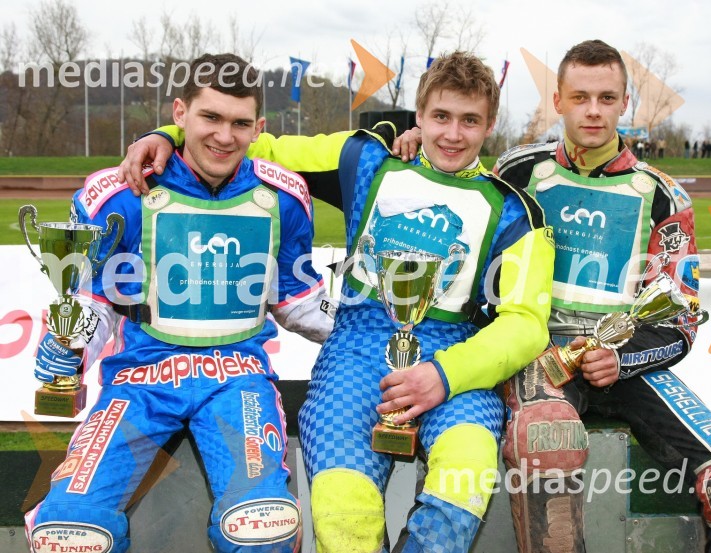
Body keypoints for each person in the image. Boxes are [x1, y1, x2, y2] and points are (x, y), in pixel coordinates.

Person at [117, 51, 555, 553]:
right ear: (419, 114)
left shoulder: (517, 213)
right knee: (342, 507)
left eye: (469, 121)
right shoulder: (365, 157)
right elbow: (249, 142)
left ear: (490, 124)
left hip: (457, 359)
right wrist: (163, 136)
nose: (453, 134)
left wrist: (444, 375)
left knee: (466, 475)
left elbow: (525, 324)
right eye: (441, 117)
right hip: (356, 345)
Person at [25, 53, 336, 553]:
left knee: (262, 527)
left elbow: (295, 296)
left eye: (239, 123)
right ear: (179, 113)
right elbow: (95, 296)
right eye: (210, 117)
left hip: (237, 378)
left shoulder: (284, 197)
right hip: (140, 381)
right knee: (69, 531)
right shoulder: (121, 194)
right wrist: (69, 347)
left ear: (258, 128)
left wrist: (369, 335)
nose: (223, 136)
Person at [492, 39, 711, 553]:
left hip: (627, 361)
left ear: (625, 102)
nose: (593, 111)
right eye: (580, 97)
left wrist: (620, 356)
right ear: (557, 100)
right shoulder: (515, 173)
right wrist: (408, 139)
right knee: (547, 440)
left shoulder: (665, 194)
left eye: (606, 98)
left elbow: (681, 320)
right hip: (537, 354)